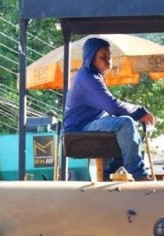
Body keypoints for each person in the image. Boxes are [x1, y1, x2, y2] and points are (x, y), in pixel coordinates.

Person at [63, 37, 155, 181]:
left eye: (109, 56)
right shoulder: (88, 78)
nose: (107, 59)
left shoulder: (91, 76)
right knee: (125, 123)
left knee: (120, 124)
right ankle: (138, 173)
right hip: (78, 129)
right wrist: (140, 112)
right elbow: (113, 106)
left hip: (89, 124)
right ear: (90, 58)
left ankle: (109, 171)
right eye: (102, 56)